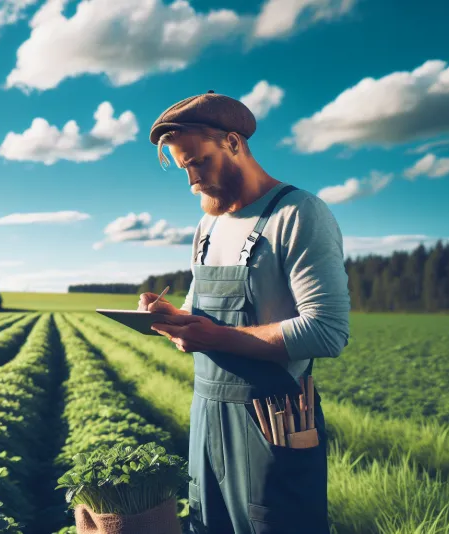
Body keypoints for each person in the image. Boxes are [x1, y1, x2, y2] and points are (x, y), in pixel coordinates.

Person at [138, 90, 350, 534]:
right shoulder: (207, 226)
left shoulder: (297, 214)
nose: (192, 179)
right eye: (184, 168)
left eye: (197, 161)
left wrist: (213, 338)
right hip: (206, 415)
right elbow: (201, 312)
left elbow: (327, 331)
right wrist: (171, 318)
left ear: (233, 142)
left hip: (272, 423)